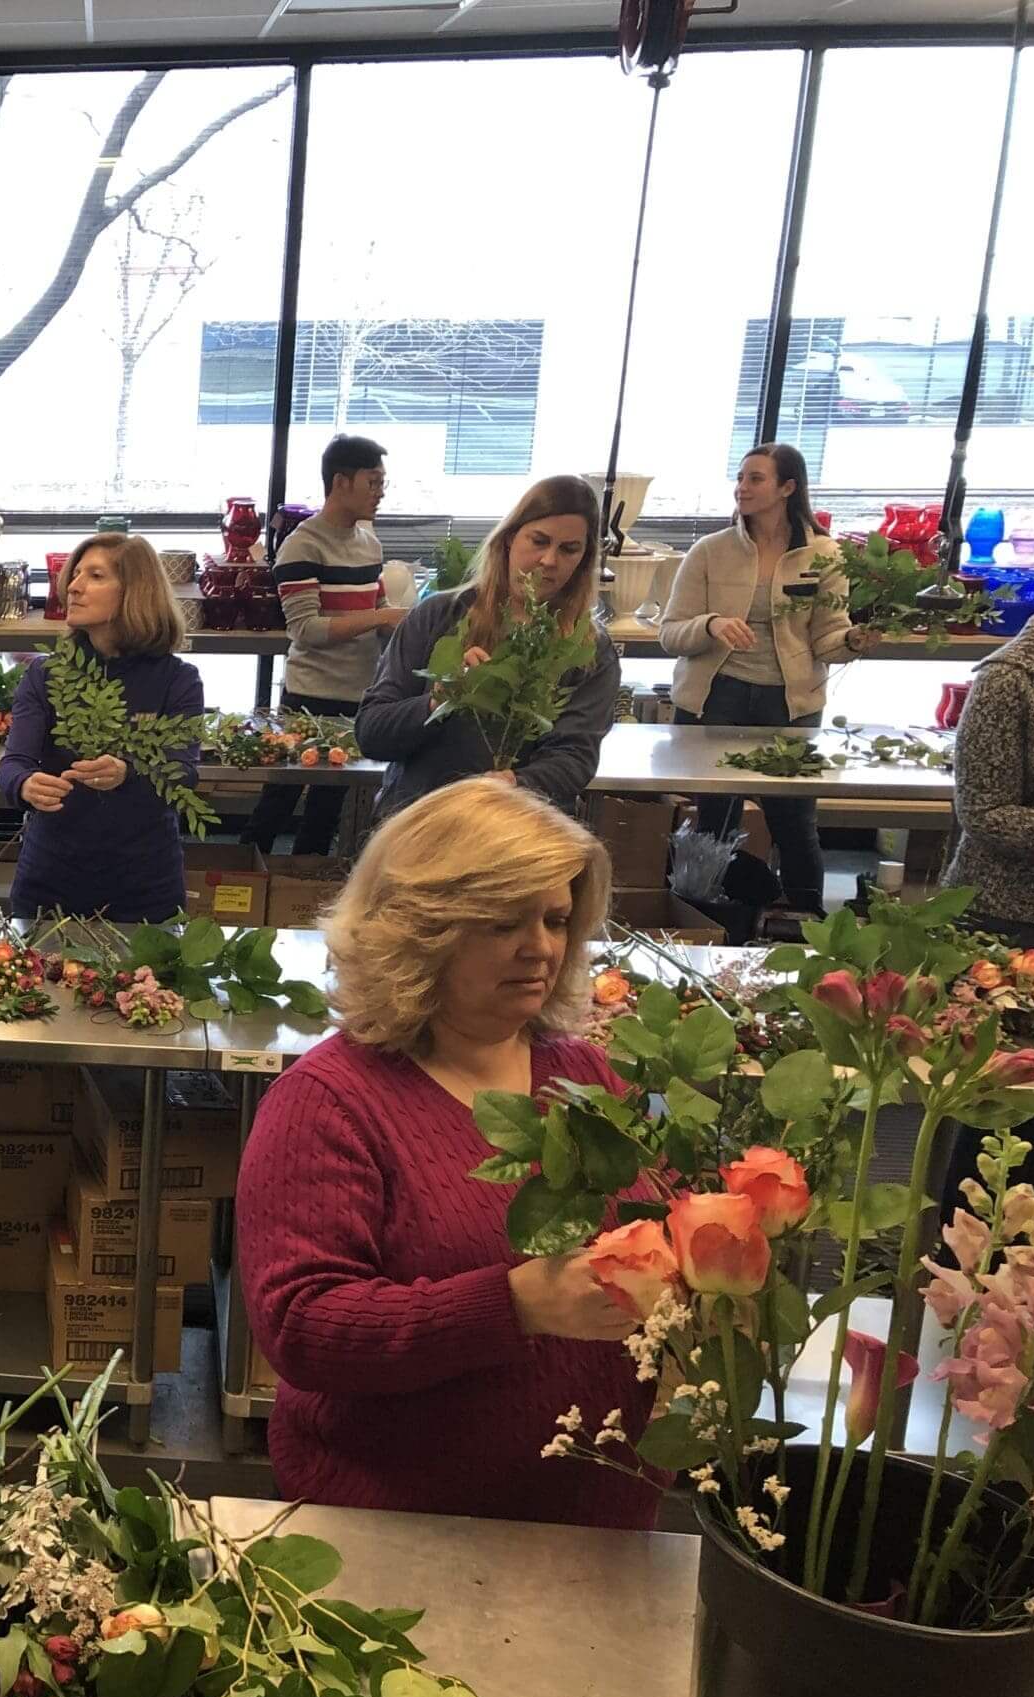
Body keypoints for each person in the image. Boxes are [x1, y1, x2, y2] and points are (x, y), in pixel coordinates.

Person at [235, 780, 658, 1527]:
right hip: (403, 1528)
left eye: (557, 918)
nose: (542, 948)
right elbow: (301, 1327)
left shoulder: (585, 1075)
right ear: (418, 930)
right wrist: (514, 1304)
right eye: (503, 922)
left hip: (598, 1519)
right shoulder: (329, 1104)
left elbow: (654, 1227)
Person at [658, 444, 866, 912]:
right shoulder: (709, 551)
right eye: (740, 478)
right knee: (715, 819)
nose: (742, 488)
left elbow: (828, 639)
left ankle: (808, 923)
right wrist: (711, 624)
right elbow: (670, 633)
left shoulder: (826, 555)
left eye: (755, 479)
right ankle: (701, 918)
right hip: (718, 697)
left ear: (788, 488)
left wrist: (854, 642)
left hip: (790, 704)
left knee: (794, 820)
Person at [358, 473, 619, 820]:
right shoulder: (438, 616)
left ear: (584, 559)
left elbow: (575, 757)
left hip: (519, 833)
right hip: (417, 826)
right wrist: (440, 699)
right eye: (539, 541)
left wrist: (514, 784)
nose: (549, 561)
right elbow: (372, 732)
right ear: (510, 538)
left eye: (569, 549)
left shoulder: (590, 650)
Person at [0, 534, 207, 923]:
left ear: (135, 592)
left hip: (144, 885)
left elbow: (183, 775)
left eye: (95, 576)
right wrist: (24, 784)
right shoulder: (45, 675)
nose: (73, 586)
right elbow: (13, 763)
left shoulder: (178, 681)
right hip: (50, 879)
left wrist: (128, 773)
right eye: (75, 576)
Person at [938, 608, 1034, 1205]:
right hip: (1010, 920)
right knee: (1006, 1119)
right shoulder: (1009, 682)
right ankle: (964, 1276)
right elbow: (983, 812)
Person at [251, 434, 406, 856]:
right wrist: (381, 617)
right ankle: (237, 885)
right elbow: (307, 630)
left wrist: (408, 624)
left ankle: (300, 897)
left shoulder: (369, 542)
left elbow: (378, 607)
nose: (380, 493)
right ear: (341, 482)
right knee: (280, 799)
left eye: (382, 482)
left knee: (327, 809)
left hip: (360, 695)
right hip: (310, 696)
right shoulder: (303, 544)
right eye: (372, 482)